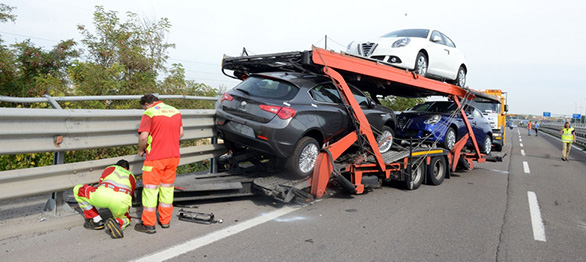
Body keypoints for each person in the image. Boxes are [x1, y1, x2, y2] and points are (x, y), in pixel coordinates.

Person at [135, 94, 183, 234]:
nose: (144, 110)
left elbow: (143, 137)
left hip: (156, 157)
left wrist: (140, 150)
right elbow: (181, 133)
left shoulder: (150, 113)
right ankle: (165, 221)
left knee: (150, 190)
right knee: (167, 189)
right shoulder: (175, 111)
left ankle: (149, 224)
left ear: (146, 104)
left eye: (143, 107)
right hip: (173, 156)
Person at [73, 159, 136, 239]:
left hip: (103, 196)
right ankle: (118, 222)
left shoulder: (110, 169)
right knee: (126, 218)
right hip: (121, 202)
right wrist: (125, 212)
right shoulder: (132, 177)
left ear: (116, 165)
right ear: (129, 169)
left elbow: (100, 185)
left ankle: (96, 220)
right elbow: (129, 197)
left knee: (78, 190)